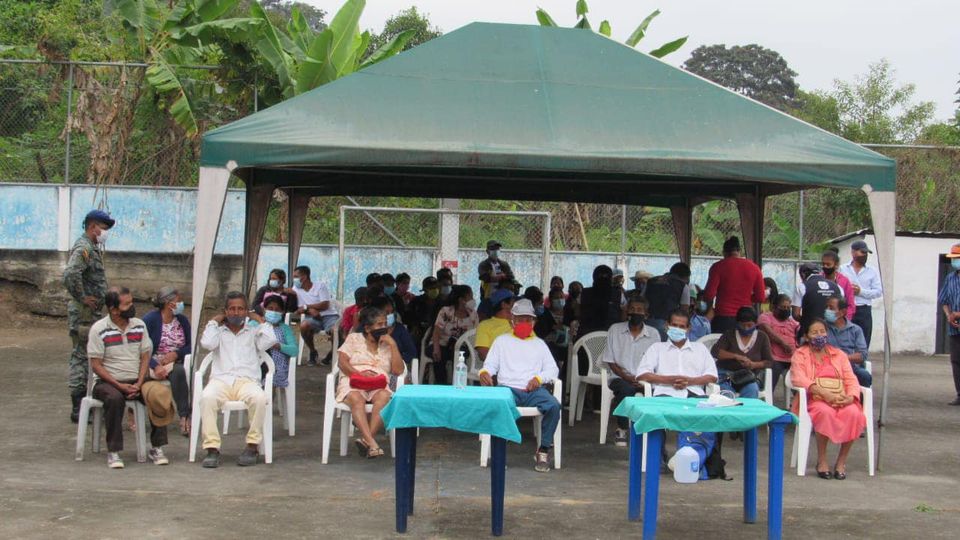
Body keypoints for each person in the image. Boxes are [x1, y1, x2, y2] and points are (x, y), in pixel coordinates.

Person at [88, 287, 174, 469]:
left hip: (137, 379)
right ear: (114, 309)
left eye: (131, 302)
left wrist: (139, 382)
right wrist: (119, 385)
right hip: (108, 381)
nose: (132, 306)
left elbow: (145, 357)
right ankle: (114, 451)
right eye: (127, 304)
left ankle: (157, 447)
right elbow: (96, 365)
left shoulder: (139, 325)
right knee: (114, 398)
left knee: (159, 394)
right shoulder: (99, 329)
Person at [479, 299, 561, 472]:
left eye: (528, 320)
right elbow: (490, 365)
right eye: (520, 319)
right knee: (499, 405)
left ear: (534, 322)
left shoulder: (539, 344)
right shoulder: (501, 341)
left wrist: (538, 378)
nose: (524, 323)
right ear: (512, 321)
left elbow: (552, 369)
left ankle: (543, 450)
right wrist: (484, 372)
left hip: (533, 390)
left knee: (553, 406)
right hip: (508, 389)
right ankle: (498, 453)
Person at [198, 292, 278, 468]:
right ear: (226, 311)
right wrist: (215, 320)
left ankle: (252, 446)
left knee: (259, 398)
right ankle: (212, 449)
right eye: (232, 309)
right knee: (207, 398)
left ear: (246, 311)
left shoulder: (253, 332)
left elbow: (270, 340)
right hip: (221, 381)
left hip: (247, 381)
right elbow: (207, 343)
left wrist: (259, 319)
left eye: (240, 309)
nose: (236, 312)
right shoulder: (218, 333)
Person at [789, 319, 866, 479]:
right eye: (814, 332)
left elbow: (850, 378)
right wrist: (824, 394)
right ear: (806, 336)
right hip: (815, 399)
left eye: (822, 332)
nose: (819, 335)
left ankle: (841, 462)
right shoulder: (800, 354)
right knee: (825, 412)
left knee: (854, 413)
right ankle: (822, 460)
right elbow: (798, 378)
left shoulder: (839, 354)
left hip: (840, 397)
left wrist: (850, 397)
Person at [336, 306, 406, 458]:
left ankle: (366, 440)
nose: (384, 327)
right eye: (379, 324)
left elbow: (398, 371)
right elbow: (342, 362)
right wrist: (359, 374)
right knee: (356, 398)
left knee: (384, 397)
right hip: (353, 380)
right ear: (367, 328)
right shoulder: (354, 338)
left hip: (378, 383)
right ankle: (372, 443)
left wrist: (393, 345)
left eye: (385, 323)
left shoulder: (388, 344)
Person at [63, 209, 113, 422]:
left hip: (92, 312)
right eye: (103, 228)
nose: (105, 233)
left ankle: (87, 402)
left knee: (91, 354)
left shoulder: (91, 248)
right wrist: (82, 297)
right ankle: (78, 407)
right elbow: (70, 273)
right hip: (84, 313)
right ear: (93, 227)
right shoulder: (84, 248)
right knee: (82, 356)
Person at [602, 297, 662, 446]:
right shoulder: (615, 330)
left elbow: (658, 362)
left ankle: (650, 431)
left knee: (660, 393)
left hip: (646, 378)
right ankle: (622, 428)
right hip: (620, 377)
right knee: (626, 390)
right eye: (632, 309)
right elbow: (610, 361)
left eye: (640, 310)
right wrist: (627, 377)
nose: (635, 312)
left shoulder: (654, 334)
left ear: (646, 314)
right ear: (627, 311)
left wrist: (645, 380)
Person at [142, 286, 192, 436]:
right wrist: (154, 365)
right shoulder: (150, 319)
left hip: (172, 362)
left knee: (179, 372)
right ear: (168, 303)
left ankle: (184, 416)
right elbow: (139, 347)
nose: (181, 304)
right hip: (150, 361)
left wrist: (176, 354)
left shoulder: (182, 320)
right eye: (178, 301)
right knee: (140, 376)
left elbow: (191, 345)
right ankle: (136, 413)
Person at [637, 311, 718, 398]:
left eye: (682, 326)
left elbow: (712, 376)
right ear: (667, 325)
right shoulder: (656, 348)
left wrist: (690, 381)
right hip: (664, 395)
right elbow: (642, 375)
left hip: (695, 395)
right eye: (674, 325)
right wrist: (669, 380)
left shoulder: (700, 348)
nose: (677, 329)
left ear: (688, 328)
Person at [704, 236, 766, 334]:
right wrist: (747, 298)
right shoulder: (754, 268)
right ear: (739, 251)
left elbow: (709, 295)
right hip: (746, 318)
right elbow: (761, 297)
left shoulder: (718, 267)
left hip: (723, 317)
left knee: (722, 343)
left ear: (724, 252)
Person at [710, 307, 773, 399]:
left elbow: (769, 362)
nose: (746, 328)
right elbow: (715, 351)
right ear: (737, 323)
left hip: (747, 377)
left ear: (755, 323)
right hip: (725, 376)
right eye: (742, 325)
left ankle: (747, 409)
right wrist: (735, 356)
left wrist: (753, 365)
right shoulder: (729, 334)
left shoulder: (762, 337)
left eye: (749, 325)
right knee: (726, 394)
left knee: (752, 390)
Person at [430, 285, 479, 383]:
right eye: (470, 297)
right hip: (442, 344)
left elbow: (475, 334)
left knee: (459, 356)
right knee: (439, 357)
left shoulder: (473, 314)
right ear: (461, 300)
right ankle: (441, 385)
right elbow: (436, 331)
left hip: (463, 347)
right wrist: (436, 348)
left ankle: (458, 383)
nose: (472, 300)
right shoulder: (446, 311)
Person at [840, 240, 883, 347]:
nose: (865, 255)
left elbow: (878, 292)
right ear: (853, 252)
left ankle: (862, 357)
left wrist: (860, 292)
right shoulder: (843, 269)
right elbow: (838, 288)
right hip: (847, 308)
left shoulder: (872, 271)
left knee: (863, 341)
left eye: (866, 253)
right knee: (846, 340)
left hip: (864, 310)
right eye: (862, 252)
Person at [292, 265, 338, 366]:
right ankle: (312, 351)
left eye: (296, 277)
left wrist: (306, 307)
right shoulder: (295, 289)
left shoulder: (320, 286)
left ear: (304, 277)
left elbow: (325, 304)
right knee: (304, 326)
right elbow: (298, 309)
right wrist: (309, 310)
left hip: (329, 316)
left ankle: (332, 353)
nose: (294, 279)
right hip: (312, 317)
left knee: (336, 330)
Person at [825, 298, 872, 388]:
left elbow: (862, 354)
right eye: (826, 307)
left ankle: (860, 397)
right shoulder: (822, 328)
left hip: (849, 367)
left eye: (831, 308)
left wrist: (843, 358)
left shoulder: (855, 330)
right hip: (827, 366)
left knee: (864, 376)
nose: (827, 310)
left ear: (842, 312)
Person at [758, 294, 799, 392]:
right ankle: (767, 397)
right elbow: (768, 332)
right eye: (783, 307)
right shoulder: (765, 317)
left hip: (792, 359)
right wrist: (783, 343)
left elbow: (800, 332)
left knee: (799, 380)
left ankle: (799, 399)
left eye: (788, 307)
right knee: (773, 371)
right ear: (774, 307)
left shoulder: (792, 322)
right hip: (774, 358)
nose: (786, 310)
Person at [644, 263, 692, 340]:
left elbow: (642, 301)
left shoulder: (650, 281)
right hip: (667, 326)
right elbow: (684, 310)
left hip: (647, 323)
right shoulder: (683, 286)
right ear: (686, 276)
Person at [262, 295, 299, 393]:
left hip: (277, 369)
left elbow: (294, 351)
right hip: (257, 365)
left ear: (282, 312)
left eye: (277, 309)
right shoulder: (256, 325)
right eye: (270, 308)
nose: (273, 312)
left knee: (269, 381)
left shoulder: (285, 328)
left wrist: (277, 345)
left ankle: (267, 400)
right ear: (264, 309)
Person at [939, 244, 960, 406]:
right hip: (954, 327)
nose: (955, 262)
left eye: (957, 259)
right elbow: (944, 300)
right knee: (956, 361)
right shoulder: (950, 278)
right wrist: (949, 316)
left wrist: (957, 314)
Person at [369, 295, 417, 365]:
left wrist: (396, 359)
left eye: (392, 312)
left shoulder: (400, 329)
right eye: (387, 313)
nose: (390, 315)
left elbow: (412, 353)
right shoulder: (368, 330)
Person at [798, 264, 842, 337]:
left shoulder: (802, 286)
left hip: (811, 332)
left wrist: (808, 323)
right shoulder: (837, 287)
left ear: (803, 275)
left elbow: (796, 314)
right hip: (834, 331)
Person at [475, 289, 516, 361]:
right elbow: (483, 354)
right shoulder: (485, 325)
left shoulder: (519, 323)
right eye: (513, 302)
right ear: (504, 304)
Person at [821, 250, 856, 322]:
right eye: (823, 264)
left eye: (828, 264)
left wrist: (844, 319)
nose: (825, 267)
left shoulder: (844, 281)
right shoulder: (818, 279)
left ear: (836, 265)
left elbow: (851, 305)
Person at [408, 276, 442, 346]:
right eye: (431, 288)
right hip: (420, 330)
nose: (434, 290)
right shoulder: (416, 301)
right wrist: (414, 325)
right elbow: (409, 316)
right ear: (425, 290)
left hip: (437, 330)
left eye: (435, 287)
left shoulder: (441, 303)